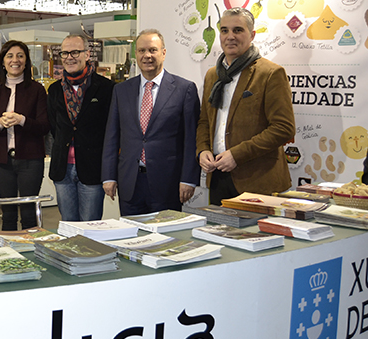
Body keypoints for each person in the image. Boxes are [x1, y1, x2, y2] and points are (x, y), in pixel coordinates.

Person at [196, 7, 295, 205]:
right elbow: (205, 121)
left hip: (258, 181)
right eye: (224, 30)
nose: (230, 36)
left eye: (237, 30)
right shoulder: (212, 75)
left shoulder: (270, 73)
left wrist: (236, 155)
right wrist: (203, 150)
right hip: (217, 177)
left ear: (252, 35)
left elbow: (283, 128)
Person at [101, 29, 200, 216]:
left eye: (153, 50)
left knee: (166, 240)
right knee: (131, 237)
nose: (147, 56)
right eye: (141, 51)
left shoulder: (184, 89)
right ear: (136, 54)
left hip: (168, 183)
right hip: (130, 182)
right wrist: (108, 176)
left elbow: (191, 139)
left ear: (163, 52)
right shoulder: (121, 91)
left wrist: (188, 179)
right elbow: (112, 136)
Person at [0, 40, 49, 230]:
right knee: (8, 215)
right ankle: (9, 256)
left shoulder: (36, 90)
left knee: (29, 215)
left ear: (27, 61)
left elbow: (44, 127)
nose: (15, 60)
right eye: (10, 56)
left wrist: (22, 120)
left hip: (31, 160)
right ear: (2, 62)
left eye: (20, 56)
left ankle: (31, 254)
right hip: (3, 161)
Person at [47, 35, 114, 221]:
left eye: (75, 52)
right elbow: (55, 127)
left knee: (90, 227)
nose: (70, 57)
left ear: (87, 54)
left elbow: (111, 130)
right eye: (65, 53)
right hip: (63, 169)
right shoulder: (54, 90)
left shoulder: (106, 88)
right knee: (69, 226)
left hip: (92, 169)